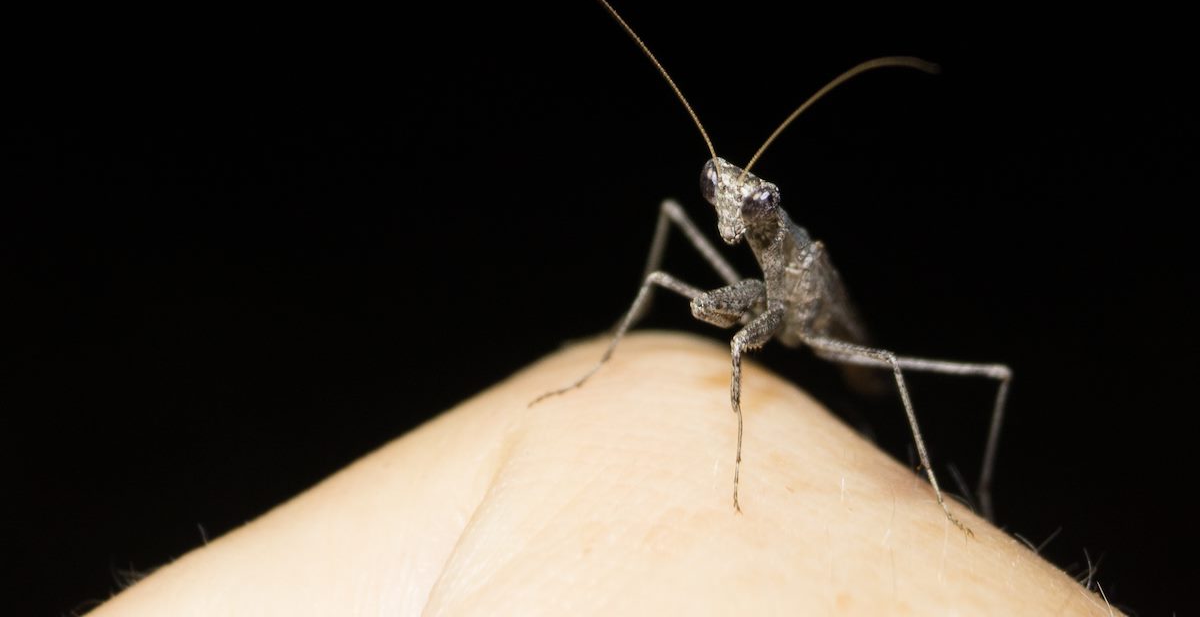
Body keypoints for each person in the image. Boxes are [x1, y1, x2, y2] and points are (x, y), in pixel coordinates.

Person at [91, 334, 1114, 615]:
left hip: (850, 351)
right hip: (771, 333)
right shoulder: (729, 242)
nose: (725, 204)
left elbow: (789, 330)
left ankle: (956, 497)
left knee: (986, 374)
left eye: (742, 197)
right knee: (679, 295)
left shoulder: (794, 258)